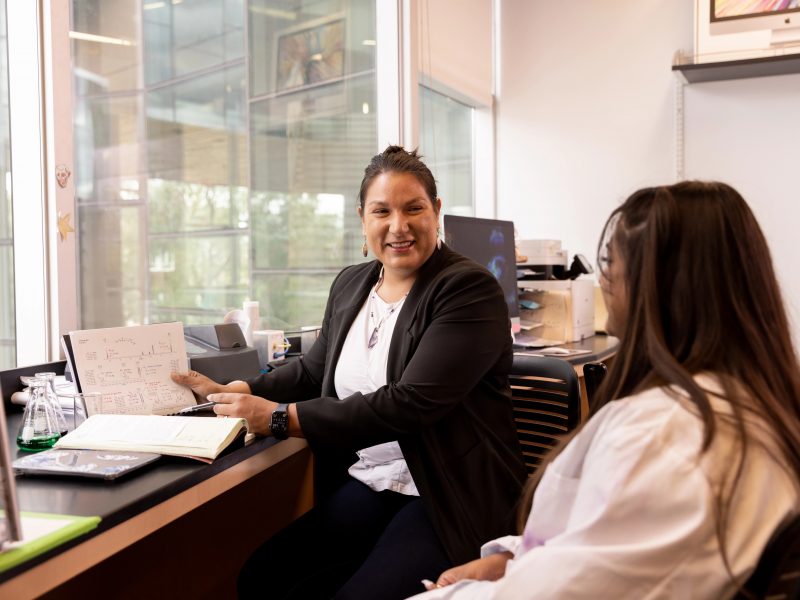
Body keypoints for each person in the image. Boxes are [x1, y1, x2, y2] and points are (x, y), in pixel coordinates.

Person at [409, 181, 800, 599]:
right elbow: (613, 542)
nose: (606, 276)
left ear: (669, 287)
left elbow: (570, 589)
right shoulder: (751, 401)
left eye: (614, 261)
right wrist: (511, 560)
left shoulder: (668, 435)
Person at [172, 146, 527, 600]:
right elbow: (313, 368)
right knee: (263, 576)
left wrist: (280, 417)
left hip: (446, 494)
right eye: (382, 211)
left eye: (413, 208)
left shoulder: (467, 290)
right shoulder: (353, 284)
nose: (398, 226)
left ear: (436, 211)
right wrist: (238, 389)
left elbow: (409, 403)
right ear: (363, 218)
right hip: (374, 480)